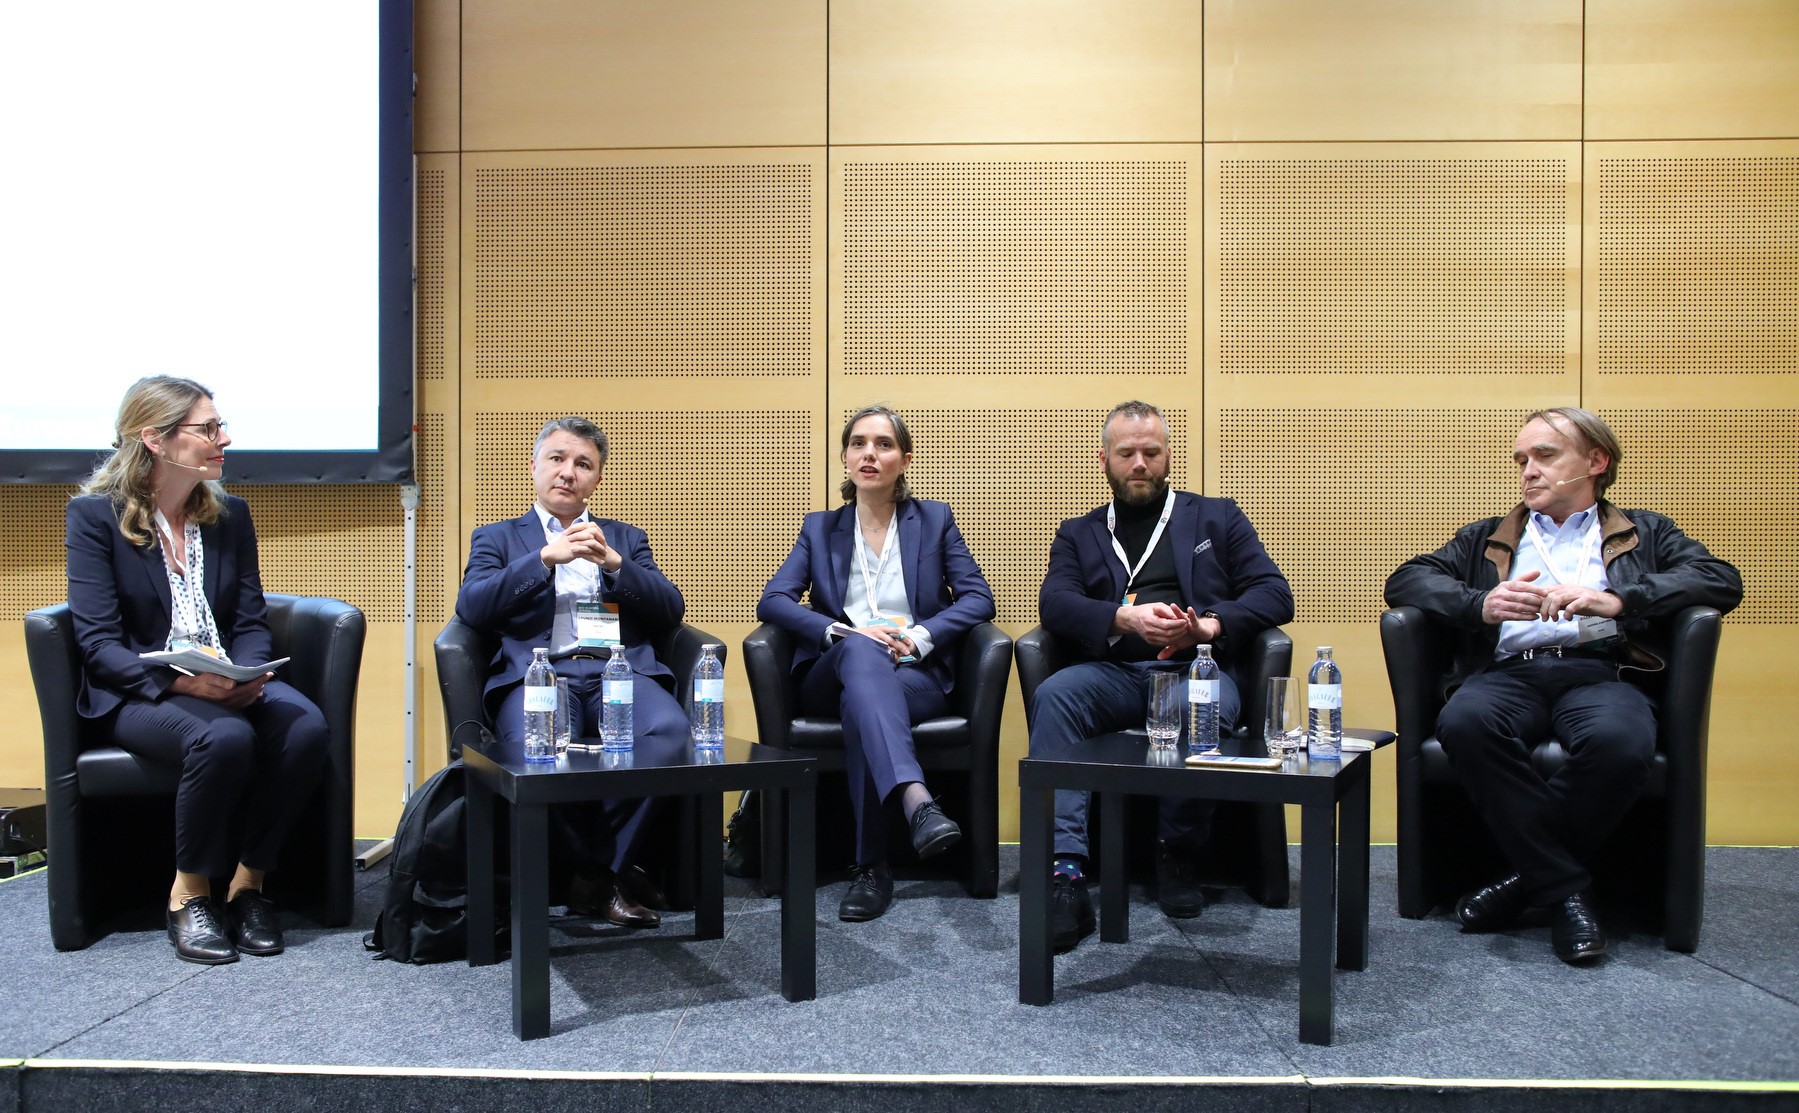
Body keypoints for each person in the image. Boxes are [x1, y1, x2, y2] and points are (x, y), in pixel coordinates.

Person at [1385, 407, 1742, 964]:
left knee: (1620, 739)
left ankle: (1522, 882)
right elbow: (1405, 579)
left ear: (1595, 461)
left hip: (1600, 670)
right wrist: (1480, 603)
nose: (1528, 470)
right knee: (1465, 721)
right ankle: (1567, 890)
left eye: (1545, 456)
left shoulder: (1646, 532)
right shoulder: (1488, 537)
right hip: (1511, 671)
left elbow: (1721, 579)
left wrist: (1620, 599)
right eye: (1521, 460)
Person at [65, 376, 329, 965]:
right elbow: (99, 644)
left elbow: (250, 618)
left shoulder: (227, 516)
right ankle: (189, 895)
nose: (223, 438)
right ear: (154, 439)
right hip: (141, 692)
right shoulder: (95, 518)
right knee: (224, 737)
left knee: (306, 727)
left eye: (220, 426)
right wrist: (183, 682)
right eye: (208, 429)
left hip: (221, 678)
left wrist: (247, 672)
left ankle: (248, 886)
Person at [1028, 400, 1294, 952]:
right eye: (1127, 453)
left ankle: (1178, 852)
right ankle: (1066, 872)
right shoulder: (1078, 532)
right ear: (1105, 459)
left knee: (1207, 702)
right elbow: (1054, 603)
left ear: (1168, 455)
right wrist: (1122, 618)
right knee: (1055, 695)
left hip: (1193, 668)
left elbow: (1274, 592)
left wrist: (1209, 626)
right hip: (1112, 672)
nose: (1140, 464)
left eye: (1151, 452)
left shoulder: (1217, 518)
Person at [757, 405, 996, 922]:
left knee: (862, 707)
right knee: (861, 654)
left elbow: (979, 598)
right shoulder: (820, 528)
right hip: (833, 668)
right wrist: (844, 633)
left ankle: (871, 867)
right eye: (858, 443)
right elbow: (773, 600)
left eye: (884, 444)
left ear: (904, 459)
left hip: (913, 675)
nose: (870, 453)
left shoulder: (933, 521)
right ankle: (917, 800)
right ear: (845, 457)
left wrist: (920, 637)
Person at [455, 416, 690, 930]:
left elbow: (670, 609)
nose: (568, 472)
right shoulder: (498, 537)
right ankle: (609, 875)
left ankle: (591, 875)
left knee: (670, 735)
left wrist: (613, 563)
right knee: (537, 746)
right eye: (557, 459)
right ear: (534, 466)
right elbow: (472, 607)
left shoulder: (625, 537)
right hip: (540, 674)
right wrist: (544, 558)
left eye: (583, 464)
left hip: (618, 674)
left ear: (596, 479)